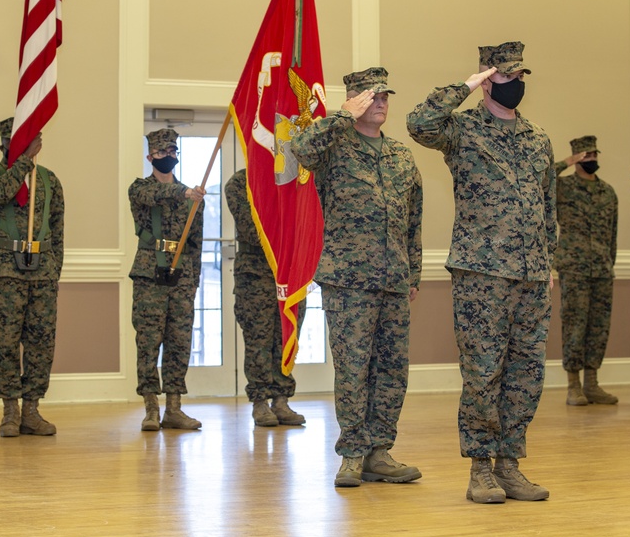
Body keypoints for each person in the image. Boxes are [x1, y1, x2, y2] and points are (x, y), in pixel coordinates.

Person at [407, 41, 554, 504]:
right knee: (483, 372)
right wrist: (463, 87)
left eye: (521, 76)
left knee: (526, 372)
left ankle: (510, 465)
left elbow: (548, 206)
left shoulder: (538, 138)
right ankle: (480, 469)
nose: (517, 85)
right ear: (489, 80)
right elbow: (418, 124)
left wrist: (548, 260)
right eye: (507, 76)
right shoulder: (463, 130)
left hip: (532, 274)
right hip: (482, 272)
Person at [291, 66, 423, 488]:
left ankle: (379, 452)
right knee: (352, 369)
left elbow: (413, 220)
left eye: (385, 96)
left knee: (391, 369)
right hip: (348, 280)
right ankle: (352, 453)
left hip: (394, 280)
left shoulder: (402, 155)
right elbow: (300, 149)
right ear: (353, 101)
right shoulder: (334, 147)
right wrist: (341, 116)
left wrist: (413, 273)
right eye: (371, 97)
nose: (381, 103)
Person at [0, 118, 63, 436]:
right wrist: (23, 161)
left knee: (41, 343)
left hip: (43, 271)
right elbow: (0, 193)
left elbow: (58, 228)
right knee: (5, 343)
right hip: (6, 272)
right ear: (5, 145)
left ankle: (31, 409)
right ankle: (10, 410)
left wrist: (54, 269)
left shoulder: (49, 181)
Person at [129, 128, 205, 431]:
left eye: (173, 152)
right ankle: (151, 408)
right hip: (150, 273)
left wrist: (195, 279)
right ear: (150, 157)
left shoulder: (190, 196)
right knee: (148, 340)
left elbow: (196, 242)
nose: (168, 157)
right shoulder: (141, 188)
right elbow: (153, 196)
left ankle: (174, 407)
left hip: (182, 276)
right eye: (162, 153)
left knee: (179, 341)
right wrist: (184, 193)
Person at [224, 168, 306, 427]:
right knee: (258, 338)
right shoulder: (239, 183)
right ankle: (260, 401)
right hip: (255, 272)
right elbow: (252, 230)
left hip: (290, 270)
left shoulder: (295, 179)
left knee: (287, 334)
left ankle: (281, 400)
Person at [555, 136, 618, 406]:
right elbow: (540, 176)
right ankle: (573, 386)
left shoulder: (608, 192)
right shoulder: (563, 187)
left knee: (599, 327)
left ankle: (592, 383)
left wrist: (608, 261)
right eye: (585, 155)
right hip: (574, 267)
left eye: (594, 155)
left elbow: (613, 234)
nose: (591, 160)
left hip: (602, 267)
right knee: (575, 324)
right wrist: (566, 162)